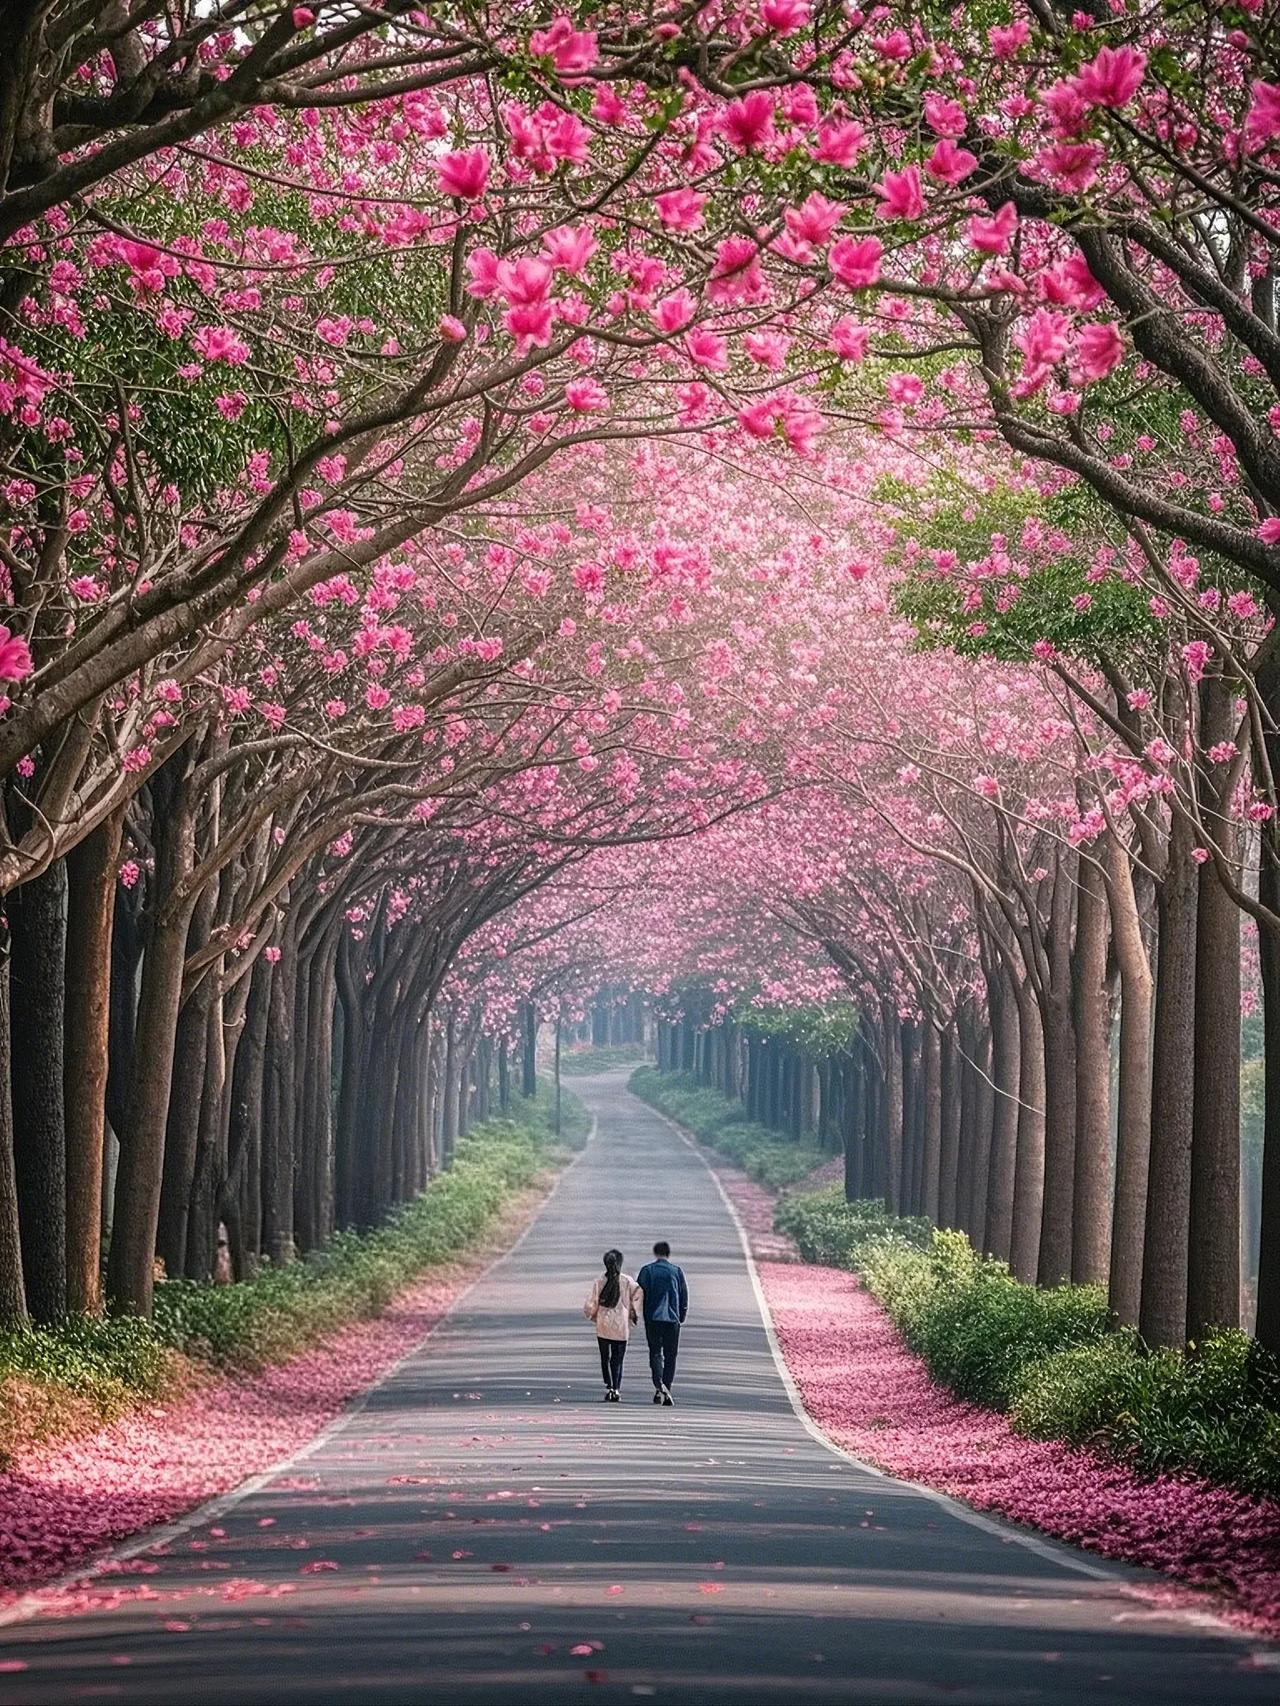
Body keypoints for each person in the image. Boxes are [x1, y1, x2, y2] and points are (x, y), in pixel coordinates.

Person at [583, 1248, 640, 1402]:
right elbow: (638, 1297)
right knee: (618, 1359)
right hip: (621, 1326)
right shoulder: (628, 1281)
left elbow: (591, 1305)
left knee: (605, 1358)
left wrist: (591, 1315)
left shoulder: (599, 1282)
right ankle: (616, 1388)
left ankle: (609, 1386)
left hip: (603, 1325)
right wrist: (634, 1314)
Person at [636, 1240, 688, 1406]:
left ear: (655, 1253)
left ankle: (659, 1387)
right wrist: (682, 1315)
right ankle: (667, 1386)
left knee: (655, 1353)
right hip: (672, 1319)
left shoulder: (647, 1271)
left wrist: (636, 1314)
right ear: (668, 1254)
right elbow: (683, 1295)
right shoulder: (677, 1272)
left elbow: (638, 1294)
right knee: (671, 1355)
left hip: (653, 1318)